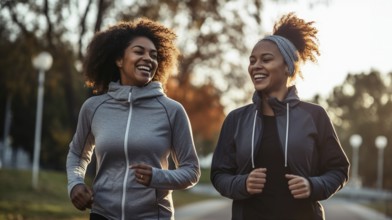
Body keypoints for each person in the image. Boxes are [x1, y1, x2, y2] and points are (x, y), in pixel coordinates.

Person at [210, 13, 349, 220]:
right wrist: (242, 184)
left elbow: (338, 169)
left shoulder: (314, 115)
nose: (256, 66)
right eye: (252, 61)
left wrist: (312, 185)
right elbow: (219, 174)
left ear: (287, 67)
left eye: (266, 59)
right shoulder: (236, 119)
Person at [66, 17, 200, 220]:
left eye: (154, 55)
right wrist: (75, 183)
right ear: (119, 60)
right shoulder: (94, 108)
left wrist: (158, 177)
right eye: (139, 51)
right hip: (103, 214)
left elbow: (191, 171)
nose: (149, 58)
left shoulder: (171, 110)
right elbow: (77, 153)